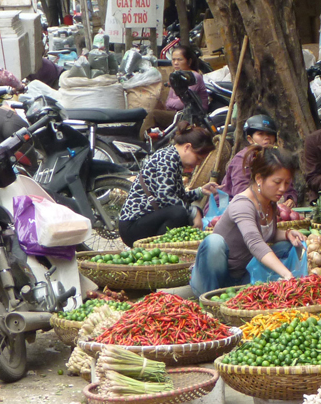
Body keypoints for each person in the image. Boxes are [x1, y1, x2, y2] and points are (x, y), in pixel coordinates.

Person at [190, 147, 306, 296]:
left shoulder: (269, 201)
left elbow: (265, 232)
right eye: (277, 182)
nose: (283, 189)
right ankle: (209, 299)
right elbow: (255, 242)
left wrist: (287, 234)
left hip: (241, 277)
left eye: (287, 183)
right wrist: (287, 274)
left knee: (287, 246)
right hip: (212, 279)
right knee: (214, 242)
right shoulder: (243, 204)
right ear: (259, 179)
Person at [118, 123, 218, 246]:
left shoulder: (173, 158)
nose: (197, 164)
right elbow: (165, 197)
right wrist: (193, 211)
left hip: (148, 220)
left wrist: (199, 192)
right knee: (180, 213)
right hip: (133, 226)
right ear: (187, 147)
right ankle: (157, 249)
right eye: (198, 158)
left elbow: (177, 197)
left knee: (187, 212)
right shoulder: (167, 158)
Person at [222, 114, 298, 215]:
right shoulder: (243, 159)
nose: (266, 138)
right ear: (250, 139)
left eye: (270, 134)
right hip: (231, 208)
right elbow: (240, 191)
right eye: (260, 134)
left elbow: (286, 182)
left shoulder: (276, 157)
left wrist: (290, 198)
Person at [141, 45, 209, 137]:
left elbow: (184, 103)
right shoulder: (176, 76)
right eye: (173, 60)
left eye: (179, 60)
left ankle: (142, 142)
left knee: (154, 114)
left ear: (189, 61)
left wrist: (172, 104)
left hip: (192, 115)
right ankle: (151, 139)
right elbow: (168, 101)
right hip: (178, 113)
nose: (176, 63)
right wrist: (173, 104)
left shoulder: (193, 77)